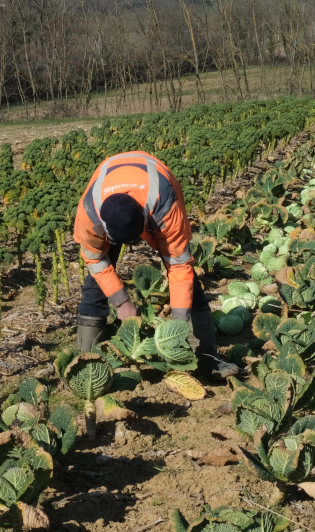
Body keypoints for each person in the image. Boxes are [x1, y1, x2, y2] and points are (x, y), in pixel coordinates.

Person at [73, 150, 236, 379]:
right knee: (95, 286)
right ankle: (87, 366)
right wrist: (122, 304)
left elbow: (179, 266)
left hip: (156, 181)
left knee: (187, 278)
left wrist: (178, 324)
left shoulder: (165, 205)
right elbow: (95, 260)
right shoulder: (89, 216)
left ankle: (206, 357)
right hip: (110, 179)